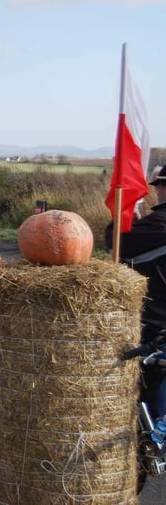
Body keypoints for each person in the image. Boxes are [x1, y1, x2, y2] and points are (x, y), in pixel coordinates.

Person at [105, 165, 166, 420]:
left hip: (157, 327)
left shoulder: (160, 223)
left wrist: (124, 219)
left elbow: (117, 244)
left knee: (155, 406)